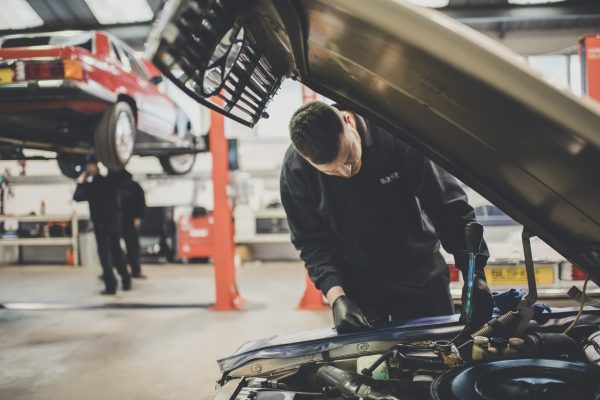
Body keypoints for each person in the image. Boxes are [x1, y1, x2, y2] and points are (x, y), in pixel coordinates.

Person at [280, 101, 493, 333]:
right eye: (332, 172)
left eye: (349, 159)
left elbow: (449, 209)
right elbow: (311, 242)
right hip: (358, 286)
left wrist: (475, 275)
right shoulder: (296, 170)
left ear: (349, 121)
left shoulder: (395, 135)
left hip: (420, 273)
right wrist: (337, 298)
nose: (346, 172)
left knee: (440, 354)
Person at [73, 158, 131, 295]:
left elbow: (126, 177)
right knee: (111, 253)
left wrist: (113, 165)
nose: (89, 168)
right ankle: (121, 281)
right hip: (103, 224)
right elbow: (77, 197)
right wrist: (84, 178)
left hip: (109, 223)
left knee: (110, 254)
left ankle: (116, 284)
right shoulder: (92, 185)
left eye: (91, 166)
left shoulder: (108, 181)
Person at [117, 170, 146, 278]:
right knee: (114, 248)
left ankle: (136, 271)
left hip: (130, 221)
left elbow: (141, 202)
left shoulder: (134, 187)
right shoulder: (115, 186)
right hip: (117, 221)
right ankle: (111, 272)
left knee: (133, 247)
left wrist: (138, 217)